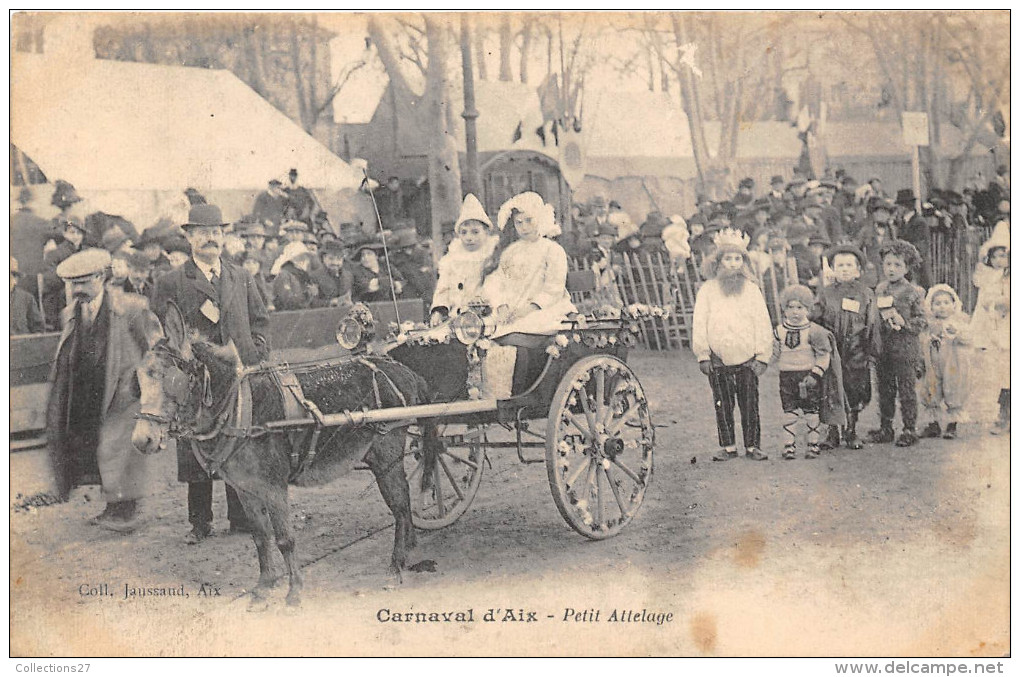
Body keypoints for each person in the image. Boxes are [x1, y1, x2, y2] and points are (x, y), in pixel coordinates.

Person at [151, 203, 271, 544]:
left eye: (216, 232)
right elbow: (161, 332)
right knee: (195, 447)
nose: (211, 238)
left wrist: (255, 354)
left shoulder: (240, 276)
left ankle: (240, 516)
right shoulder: (171, 282)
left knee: (238, 441)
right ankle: (200, 521)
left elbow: (261, 322)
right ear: (189, 237)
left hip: (237, 373)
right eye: (203, 232)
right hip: (194, 380)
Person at [46, 248, 163, 532]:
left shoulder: (132, 307)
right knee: (99, 448)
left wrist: (142, 383)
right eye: (73, 283)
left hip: (123, 391)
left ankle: (129, 510)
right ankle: (114, 507)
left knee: (119, 448)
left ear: (101, 277)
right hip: (90, 391)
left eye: (83, 282)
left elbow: (156, 348)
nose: (77, 289)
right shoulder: (70, 313)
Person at [480, 192, 576, 399]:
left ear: (540, 219)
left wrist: (528, 309)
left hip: (545, 308)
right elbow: (496, 282)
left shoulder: (552, 250)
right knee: (484, 332)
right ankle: (497, 391)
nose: (524, 227)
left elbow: (554, 288)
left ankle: (521, 392)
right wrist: (501, 305)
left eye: (529, 221)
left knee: (517, 334)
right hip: (512, 308)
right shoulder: (511, 251)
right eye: (519, 222)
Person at [691, 228, 774, 462]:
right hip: (718, 358)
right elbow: (700, 322)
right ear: (718, 262)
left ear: (744, 262)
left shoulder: (751, 290)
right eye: (728, 259)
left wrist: (762, 356)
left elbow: (762, 322)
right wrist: (703, 354)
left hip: (747, 358)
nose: (733, 264)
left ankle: (752, 445)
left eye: (738, 259)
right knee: (723, 403)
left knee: (750, 403)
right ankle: (728, 445)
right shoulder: (707, 291)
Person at [813, 244, 880, 449]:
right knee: (831, 389)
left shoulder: (866, 293)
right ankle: (833, 433)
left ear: (858, 270)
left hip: (857, 351)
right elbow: (815, 318)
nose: (844, 269)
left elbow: (872, 324)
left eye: (849, 265)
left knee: (854, 390)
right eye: (839, 265)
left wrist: (872, 352)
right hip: (833, 351)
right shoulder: (825, 293)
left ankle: (851, 431)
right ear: (832, 268)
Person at [867, 240, 927, 447]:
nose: (891, 269)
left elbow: (922, 321)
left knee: (906, 390)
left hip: (905, 349)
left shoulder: (914, 292)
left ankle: (909, 429)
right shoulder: (880, 289)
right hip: (883, 347)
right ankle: (886, 427)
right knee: (884, 389)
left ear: (907, 268)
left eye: (897, 265)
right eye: (888, 264)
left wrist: (905, 322)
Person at [772, 285, 832, 459]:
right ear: (784, 308)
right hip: (786, 376)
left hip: (807, 376)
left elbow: (823, 354)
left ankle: (813, 444)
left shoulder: (814, 330)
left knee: (811, 412)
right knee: (789, 411)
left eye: (800, 307)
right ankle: (789, 446)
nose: (795, 312)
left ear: (808, 309)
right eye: (790, 307)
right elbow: (774, 354)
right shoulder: (779, 331)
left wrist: (816, 374)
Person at [431, 193, 497, 324]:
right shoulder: (451, 259)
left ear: (486, 232)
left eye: (475, 232)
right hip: (456, 317)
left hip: (485, 317)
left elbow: (496, 287)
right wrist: (439, 310)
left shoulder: (491, 257)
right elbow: (443, 289)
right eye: (464, 232)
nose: (469, 237)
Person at [969, 226, 1010, 434]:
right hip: (998, 327)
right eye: (997, 256)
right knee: (1003, 372)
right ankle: (1004, 414)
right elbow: (986, 300)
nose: (1001, 260)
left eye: (1005, 256)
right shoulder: (990, 276)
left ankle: (1007, 415)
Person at [918, 284, 971, 440]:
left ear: (954, 304)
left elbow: (968, 339)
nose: (942, 307)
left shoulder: (959, 321)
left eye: (946, 303)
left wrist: (958, 334)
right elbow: (922, 341)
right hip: (933, 363)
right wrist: (929, 340)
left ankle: (952, 425)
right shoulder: (929, 324)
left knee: (953, 390)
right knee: (931, 390)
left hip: (953, 363)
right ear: (931, 306)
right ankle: (933, 425)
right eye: (938, 303)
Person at [270, 241, 319, 311]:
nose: (303, 259)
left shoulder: (304, 275)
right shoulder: (284, 274)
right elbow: (286, 301)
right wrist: (308, 294)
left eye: (305, 256)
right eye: (299, 256)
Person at [310, 239, 354, 309]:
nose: (335, 263)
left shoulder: (348, 276)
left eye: (339, 259)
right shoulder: (314, 277)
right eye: (331, 259)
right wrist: (331, 302)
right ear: (324, 258)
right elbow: (311, 302)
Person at [10, 256, 44, 334]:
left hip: (22, 345)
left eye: (14, 276)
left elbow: (38, 329)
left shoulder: (27, 299)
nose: (14, 281)